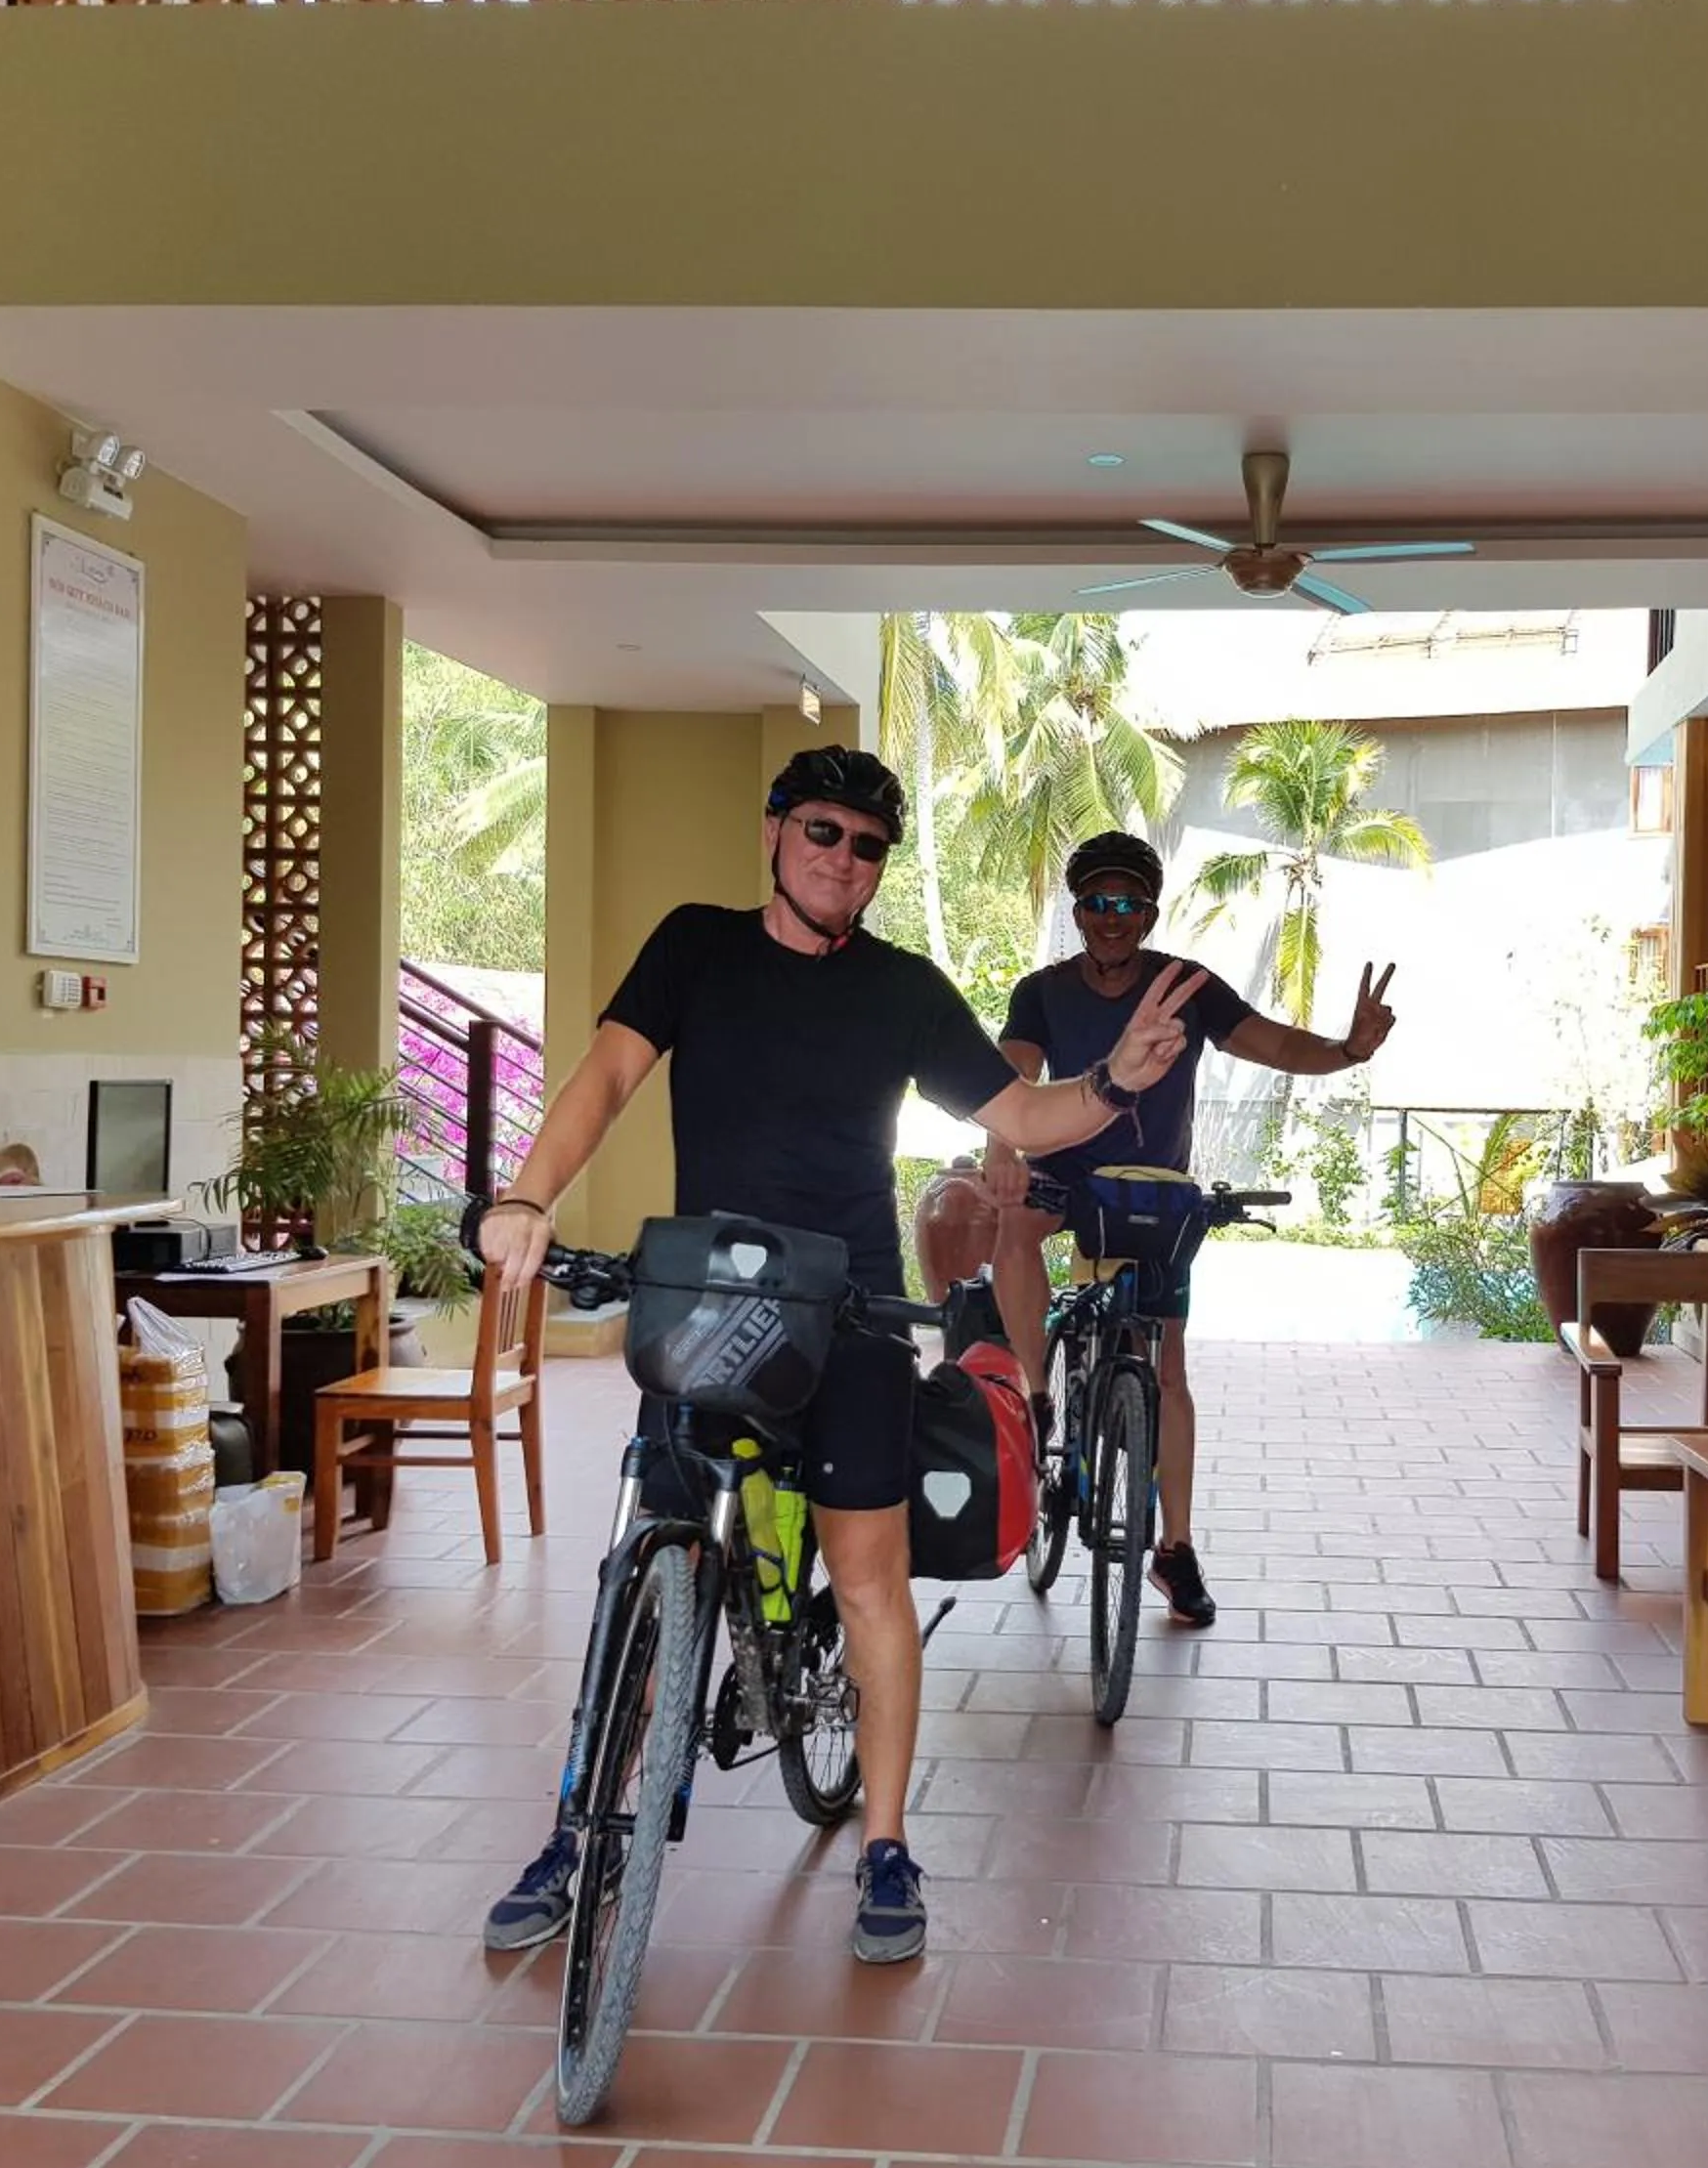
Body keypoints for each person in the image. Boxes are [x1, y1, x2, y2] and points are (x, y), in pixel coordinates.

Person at [473, 750, 1205, 1967]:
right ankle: (575, 1830)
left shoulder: (903, 989)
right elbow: (608, 1073)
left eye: (869, 846)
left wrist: (1113, 1082)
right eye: (823, 832)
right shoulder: (696, 946)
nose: (843, 861)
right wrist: (527, 1197)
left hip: (854, 1311)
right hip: (706, 1297)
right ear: (774, 831)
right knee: (640, 1562)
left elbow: (1018, 1115)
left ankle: (884, 1842)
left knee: (868, 1577)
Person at [979, 831, 1396, 1628]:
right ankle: (1036, 1395)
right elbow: (1014, 1072)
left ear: (1149, 912)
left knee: (1169, 1370)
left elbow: (1271, 1042)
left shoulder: (1187, 986)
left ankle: (1174, 1546)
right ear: (1078, 912)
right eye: (1098, 902)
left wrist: (1348, 1051)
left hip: (1156, 1193)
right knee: (1012, 1226)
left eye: (1128, 903)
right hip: (1064, 1179)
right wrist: (1002, 1144)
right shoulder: (1042, 991)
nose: (1112, 916)